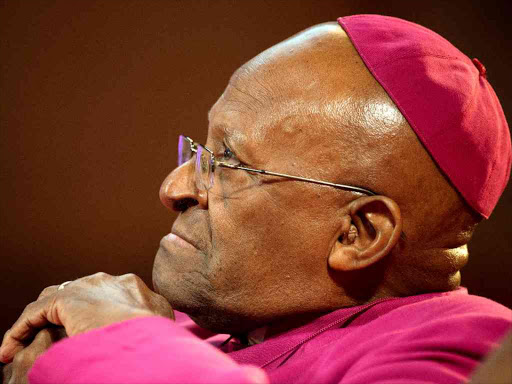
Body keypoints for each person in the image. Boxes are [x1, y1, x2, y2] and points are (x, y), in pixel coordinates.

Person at [1, 14, 511, 384]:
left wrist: (120, 341)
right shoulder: (189, 328)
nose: (174, 188)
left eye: (227, 163)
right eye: (202, 150)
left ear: (359, 233)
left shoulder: (470, 348)